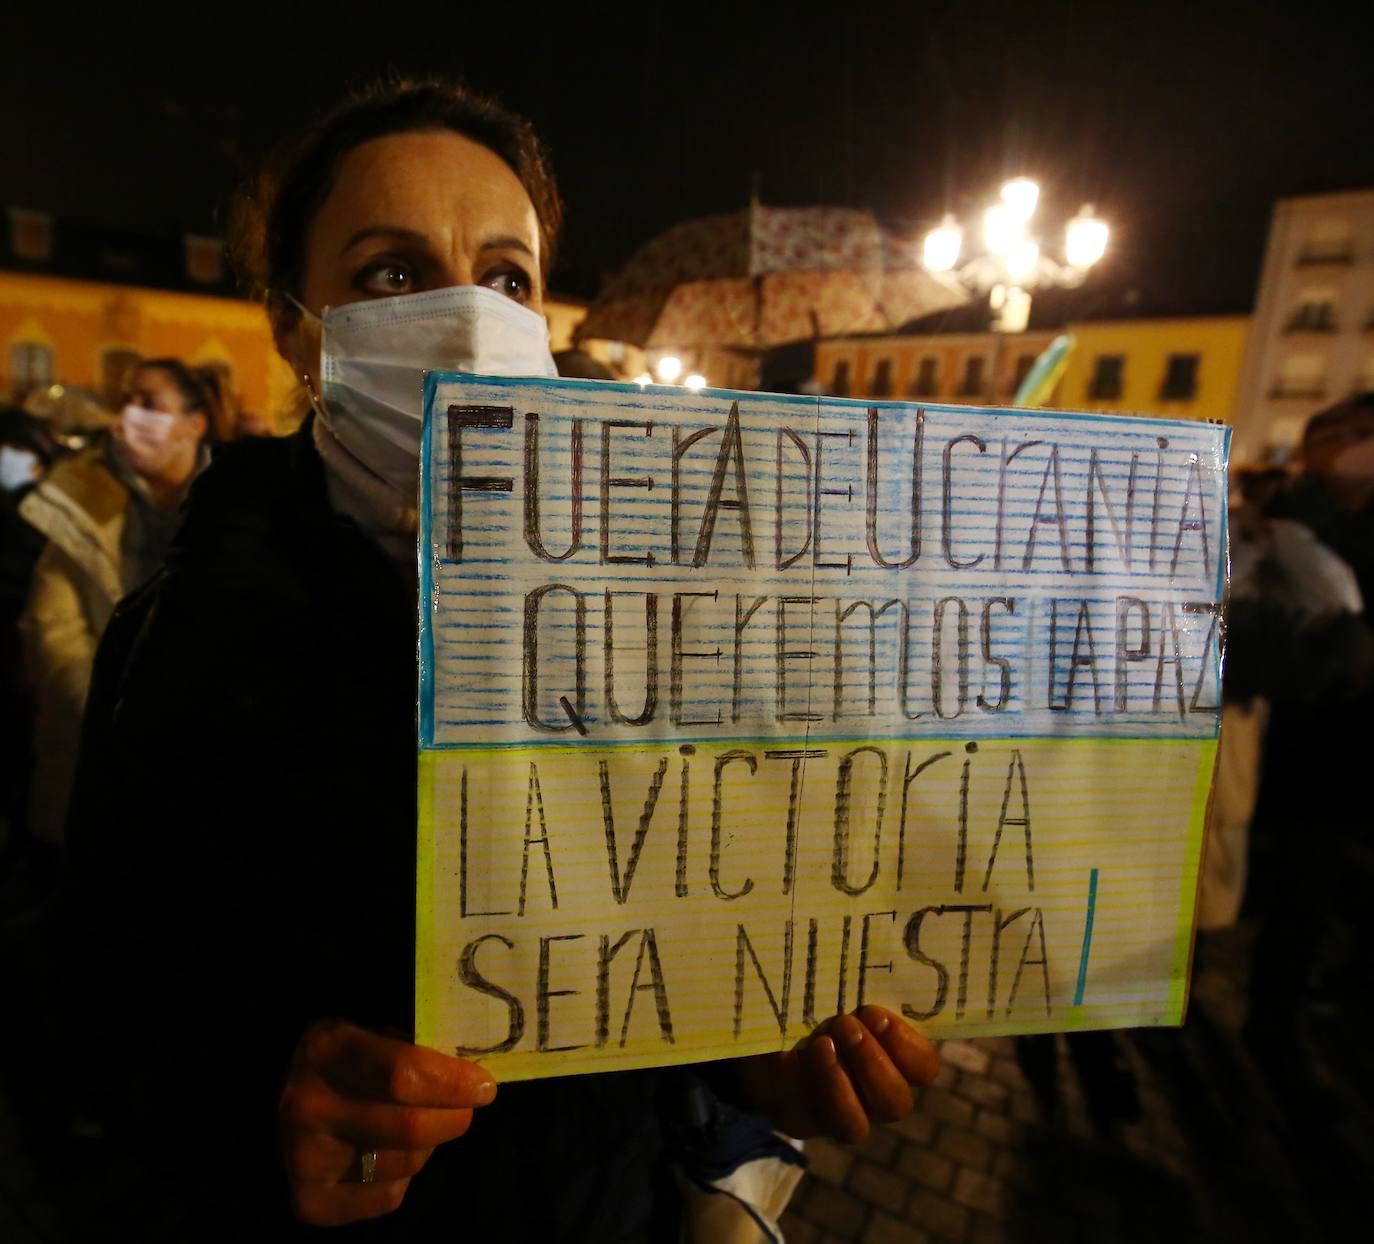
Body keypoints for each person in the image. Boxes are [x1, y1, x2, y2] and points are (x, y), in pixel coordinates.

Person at [65, 78, 939, 1241]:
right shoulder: (178, 642)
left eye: (507, 275)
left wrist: (759, 1062)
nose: (469, 316)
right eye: (389, 272)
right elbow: (104, 1022)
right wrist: (262, 1124)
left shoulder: (665, 612)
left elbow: (681, 945)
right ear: (291, 320)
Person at [17, 360, 215, 857]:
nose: (130, 415)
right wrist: (115, 716)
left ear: (195, 424)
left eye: (149, 403)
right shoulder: (79, 495)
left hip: (201, 783)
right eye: (127, 400)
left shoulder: (234, 502)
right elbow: (55, 632)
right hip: (87, 769)